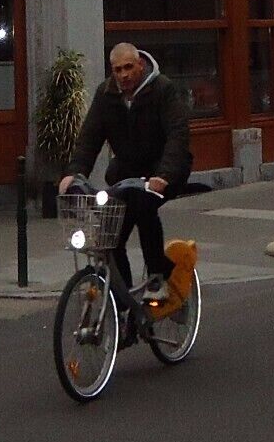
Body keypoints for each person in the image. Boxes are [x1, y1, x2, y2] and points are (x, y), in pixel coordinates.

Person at [62, 42, 192, 301]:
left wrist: (164, 175)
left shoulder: (162, 89)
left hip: (162, 172)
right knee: (110, 235)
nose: (123, 75)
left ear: (140, 65)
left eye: (128, 67)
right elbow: (89, 138)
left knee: (144, 208)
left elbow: (177, 135)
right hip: (126, 175)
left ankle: (158, 275)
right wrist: (74, 173)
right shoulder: (106, 94)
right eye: (117, 70)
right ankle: (124, 303)